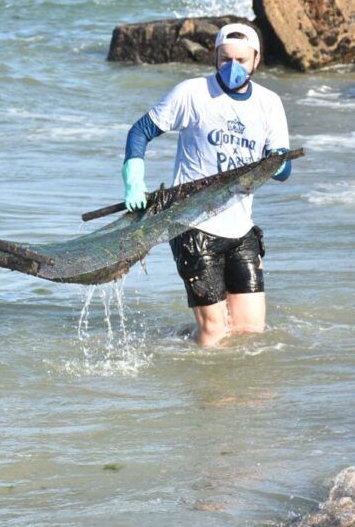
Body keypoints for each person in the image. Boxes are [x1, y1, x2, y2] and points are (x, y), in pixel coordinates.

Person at [121, 23, 291, 347]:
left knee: (250, 331)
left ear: (257, 60)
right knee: (214, 332)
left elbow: (283, 170)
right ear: (214, 56)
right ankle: (205, 394)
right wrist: (133, 180)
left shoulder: (269, 104)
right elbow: (140, 132)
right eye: (225, 59)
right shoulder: (192, 93)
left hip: (241, 231)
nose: (233, 67)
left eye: (241, 60)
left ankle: (182, 346)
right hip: (193, 227)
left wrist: (280, 163)